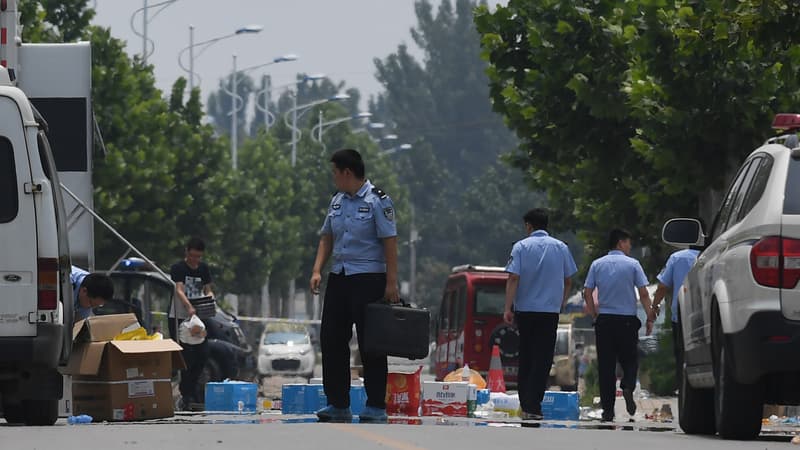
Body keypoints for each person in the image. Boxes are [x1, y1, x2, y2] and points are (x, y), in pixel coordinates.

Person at [310, 148, 399, 423]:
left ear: (347, 173)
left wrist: (391, 282)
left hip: (369, 278)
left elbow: (390, 241)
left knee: (371, 343)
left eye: (335, 173)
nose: (333, 179)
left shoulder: (378, 201)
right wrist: (317, 270)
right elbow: (327, 237)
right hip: (340, 275)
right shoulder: (337, 201)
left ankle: (375, 405)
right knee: (332, 339)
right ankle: (338, 403)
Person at [503, 208, 577, 420]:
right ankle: (535, 403)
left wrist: (507, 308)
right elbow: (568, 280)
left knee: (526, 355)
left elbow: (513, 278)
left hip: (525, 311)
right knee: (543, 358)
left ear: (529, 226)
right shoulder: (561, 247)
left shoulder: (520, 247)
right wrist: (561, 303)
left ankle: (526, 403)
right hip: (549, 312)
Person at [583, 229, 655, 422]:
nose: (630, 247)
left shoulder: (597, 264)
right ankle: (628, 385)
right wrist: (650, 317)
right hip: (626, 322)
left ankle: (608, 411)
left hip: (604, 321)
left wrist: (594, 314)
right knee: (630, 360)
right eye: (628, 243)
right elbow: (644, 294)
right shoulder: (633, 265)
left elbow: (587, 292)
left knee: (606, 367)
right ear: (620, 243)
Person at [169, 237, 214, 410]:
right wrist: (189, 307)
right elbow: (179, 289)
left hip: (199, 318)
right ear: (186, 252)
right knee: (186, 356)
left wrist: (210, 300)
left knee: (201, 354)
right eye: (192, 256)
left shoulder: (203, 269)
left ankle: (191, 391)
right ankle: (185, 393)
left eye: (198, 257)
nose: (195, 260)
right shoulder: (178, 268)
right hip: (181, 317)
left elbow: (208, 289)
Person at [652, 244, 700, 389]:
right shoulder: (714, 252)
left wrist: (654, 307)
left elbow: (662, 287)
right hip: (706, 315)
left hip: (681, 316)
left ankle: (684, 389)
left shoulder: (677, 258)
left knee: (682, 357)